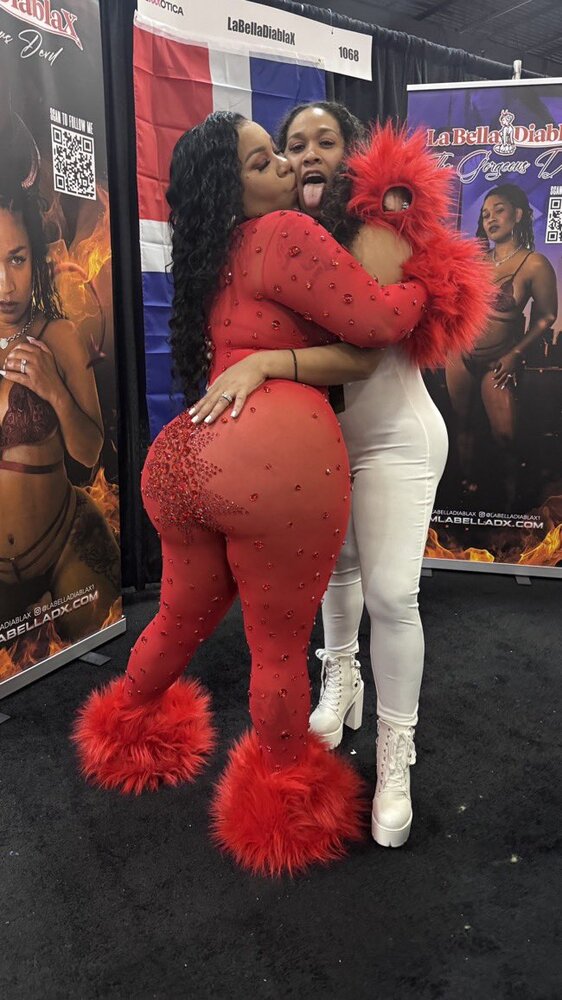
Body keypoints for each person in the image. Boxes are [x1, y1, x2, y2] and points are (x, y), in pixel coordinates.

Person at [72, 111, 429, 877]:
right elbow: (375, 322)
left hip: (183, 462)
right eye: (265, 160)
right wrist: (422, 288)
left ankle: (126, 730)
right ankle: (282, 806)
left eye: (284, 154)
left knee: (179, 615)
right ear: (229, 188)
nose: (285, 168)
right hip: (273, 468)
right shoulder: (287, 235)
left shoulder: (211, 253)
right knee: (276, 648)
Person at [190, 102, 492, 850]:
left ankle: (395, 756)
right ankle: (342, 683)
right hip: (322, 446)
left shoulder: (376, 228)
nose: (308, 154)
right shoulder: (280, 237)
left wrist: (266, 362)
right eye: (293, 145)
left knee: (390, 594)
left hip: (394, 441)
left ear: (352, 152)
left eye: (325, 140)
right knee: (336, 577)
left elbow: (364, 349)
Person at [0, 171, 120, 647]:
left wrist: (55, 392)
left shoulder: (59, 336)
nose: (5, 284)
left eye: (16, 259)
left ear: (36, 259)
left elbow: (90, 453)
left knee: (99, 653)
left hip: (66, 545)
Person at [445, 182, 557, 504]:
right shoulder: (475, 261)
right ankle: (466, 493)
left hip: (499, 358)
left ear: (518, 215)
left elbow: (547, 315)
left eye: (498, 210)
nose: (490, 219)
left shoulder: (534, 263)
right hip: (460, 354)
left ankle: (510, 501)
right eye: (485, 215)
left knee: (505, 434)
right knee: (462, 426)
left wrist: (516, 354)